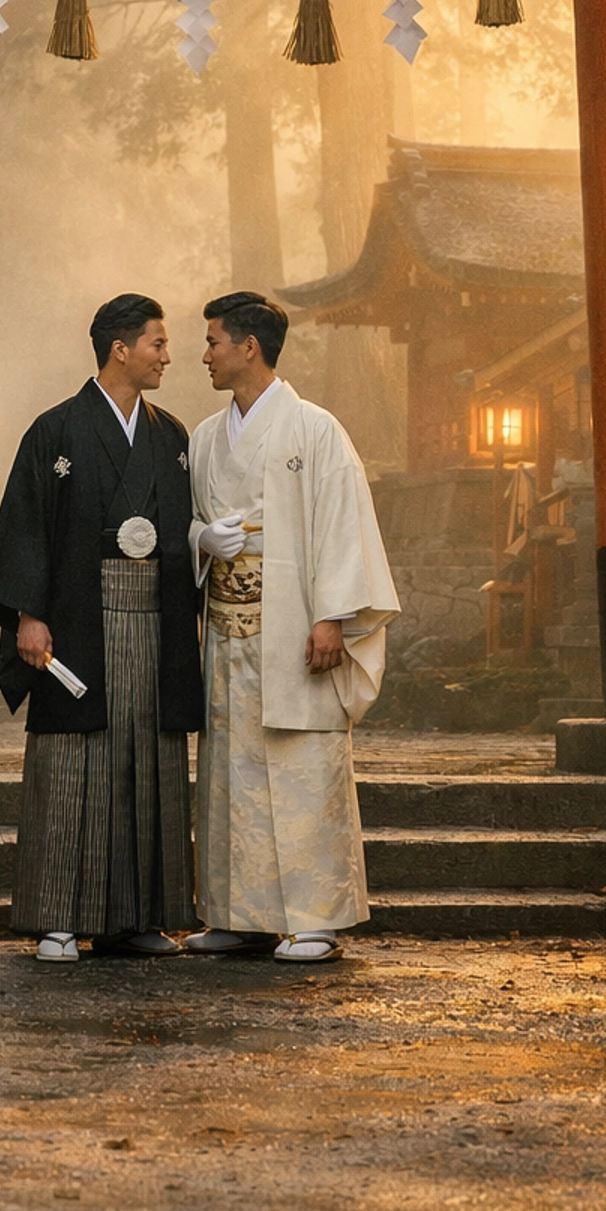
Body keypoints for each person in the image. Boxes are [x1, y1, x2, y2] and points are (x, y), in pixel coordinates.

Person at [0, 293, 203, 962]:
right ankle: (58, 917)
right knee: (75, 762)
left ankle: (139, 918)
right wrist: (31, 614)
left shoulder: (171, 435)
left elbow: (182, 528)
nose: (168, 356)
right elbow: (27, 524)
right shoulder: (57, 430)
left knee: (147, 761)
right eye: (158, 344)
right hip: (77, 614)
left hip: (155, 616)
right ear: (120, 349)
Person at [187, 290, 399, 963]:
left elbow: (342, 527)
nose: (205, 355)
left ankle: (316, 919)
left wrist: (333, 617)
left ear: (249, 346)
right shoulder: (202, 437)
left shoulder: (316, 429)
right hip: (227, 629)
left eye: (214, 341)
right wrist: (200, 539)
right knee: (233, 776)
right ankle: (238, 914)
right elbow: (184, 528)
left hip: (296, 627)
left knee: (303, 768)